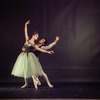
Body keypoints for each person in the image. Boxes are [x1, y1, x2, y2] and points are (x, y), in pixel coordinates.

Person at [11, 20, 54, 89]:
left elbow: (40, 49)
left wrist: (48, 52)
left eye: (37, 36)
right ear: (33, 36)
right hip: (23, 56)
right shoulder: (27, 39)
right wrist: (25, 24)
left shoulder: (34, 44)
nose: (37, 37)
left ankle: (36, 81)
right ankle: (26, 83)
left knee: (31, 70)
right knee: (25, 69)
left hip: (30, 57)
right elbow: (25, 32)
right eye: (36, 35)